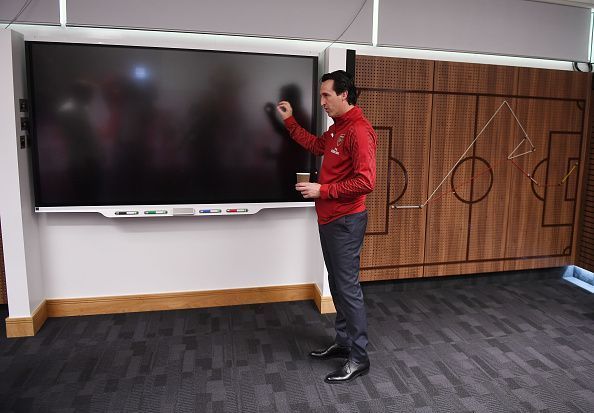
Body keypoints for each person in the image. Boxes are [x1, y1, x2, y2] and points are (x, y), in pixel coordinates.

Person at [276, 70, 377, 383]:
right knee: (337, 284)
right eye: (321, 96)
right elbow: (314, 145)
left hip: (346, 221)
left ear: (344, 94)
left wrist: (324, 190)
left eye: (326, 96)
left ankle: (359, 358)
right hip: (330, 220)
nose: (322, 102)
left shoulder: (359, 131)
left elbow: (366, 181)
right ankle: (344, 343)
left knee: (347, 289)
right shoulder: (336, 131)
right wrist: (289, 121)